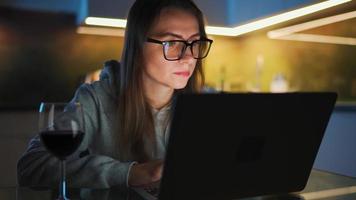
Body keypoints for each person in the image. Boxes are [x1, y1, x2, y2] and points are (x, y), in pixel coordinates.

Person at [17, 0, 213, 189]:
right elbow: (32, 166)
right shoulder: (96, 100)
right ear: (137, 46)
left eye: (195, 42)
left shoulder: (204, 107)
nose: (188, 57)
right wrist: (130, 173)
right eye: (171, 42)